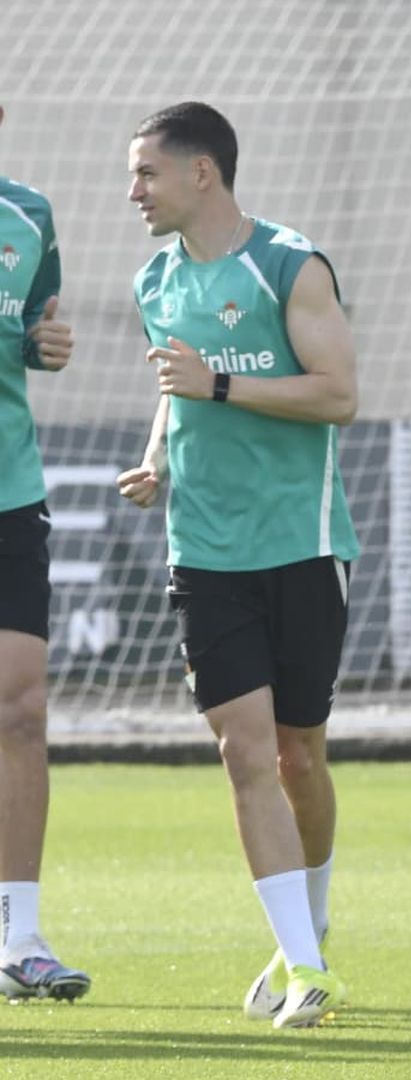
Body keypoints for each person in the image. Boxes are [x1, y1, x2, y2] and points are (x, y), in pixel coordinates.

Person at [115, 101, 361, 1026]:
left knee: (300, 755)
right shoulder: (154, 280)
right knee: (243, 752)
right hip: (205, 555)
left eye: (145, 173)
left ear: (200, 174)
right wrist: (159, 455)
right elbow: (173, 386)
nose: (132, 190)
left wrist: (219, 384)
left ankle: (315, 924)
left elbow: (338, 395)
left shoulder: (291, 264)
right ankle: (306, 966)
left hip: (304, 545)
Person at [0, 102, 89, 1003]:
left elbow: (35, 335)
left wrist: (45, 346)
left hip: (9, 494)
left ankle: (19, 937)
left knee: (21, 712)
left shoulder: (28, 216)